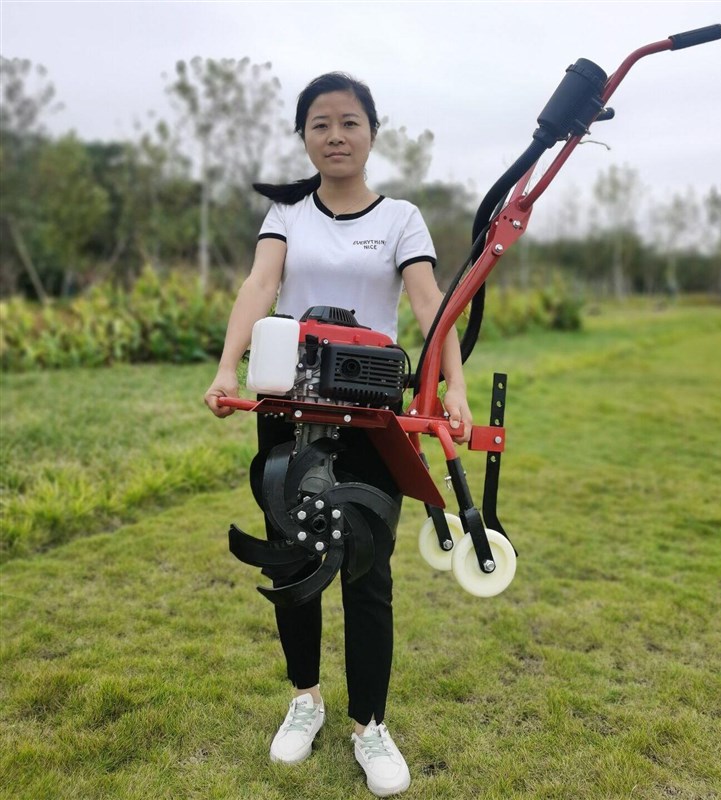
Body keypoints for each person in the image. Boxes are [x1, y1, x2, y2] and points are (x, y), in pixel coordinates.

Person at [204, 71, 472, 798]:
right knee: (295, 560)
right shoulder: (287, 213)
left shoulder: (402, 218)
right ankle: (305, 700)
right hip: (292, 412)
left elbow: (430, 305)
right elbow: (260, 288)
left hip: (371, 419)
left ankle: (370, 725)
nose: (335, 135)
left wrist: (454, 386)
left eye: (348, 122)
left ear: (372, 132)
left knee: (366, 567)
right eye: (320, 124)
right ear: (304, 137)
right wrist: (228, 370)